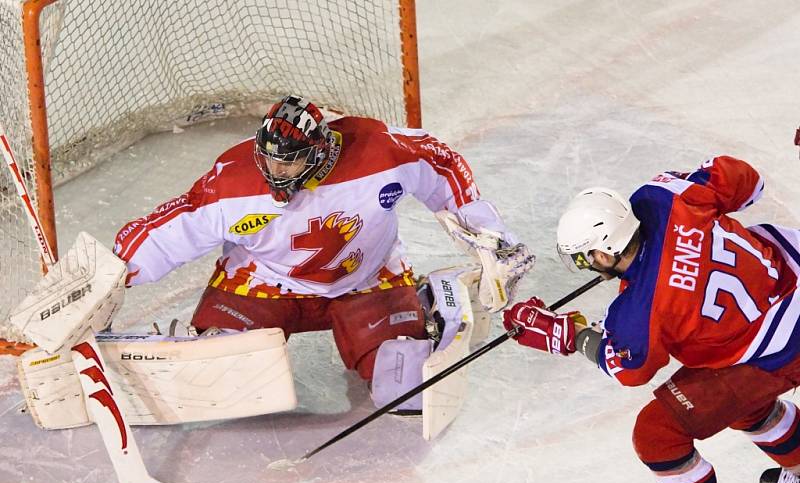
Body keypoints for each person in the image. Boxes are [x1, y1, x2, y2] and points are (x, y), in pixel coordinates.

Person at [503, 156, 800, 483]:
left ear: (604, 252)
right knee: (733, 400)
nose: (587, 265)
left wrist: (565, 334)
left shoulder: (639, 314)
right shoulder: (662, 196)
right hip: (790, 270)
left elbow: (629, 368)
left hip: (781, 345)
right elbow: (747, 181)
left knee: (659, 433)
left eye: (586, 258)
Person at [114, 94, 533, 387]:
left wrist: (494, 241)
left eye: (288, 161)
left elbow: (442, 163)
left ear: (317, 151)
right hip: (263, 284)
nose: (275, 172)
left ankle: (428, 301)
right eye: (269, 159)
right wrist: (113, 270)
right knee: (223, 371)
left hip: (367, 280)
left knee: (401, 382)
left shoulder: (377, 152)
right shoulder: (234, 180)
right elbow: (176, 226)